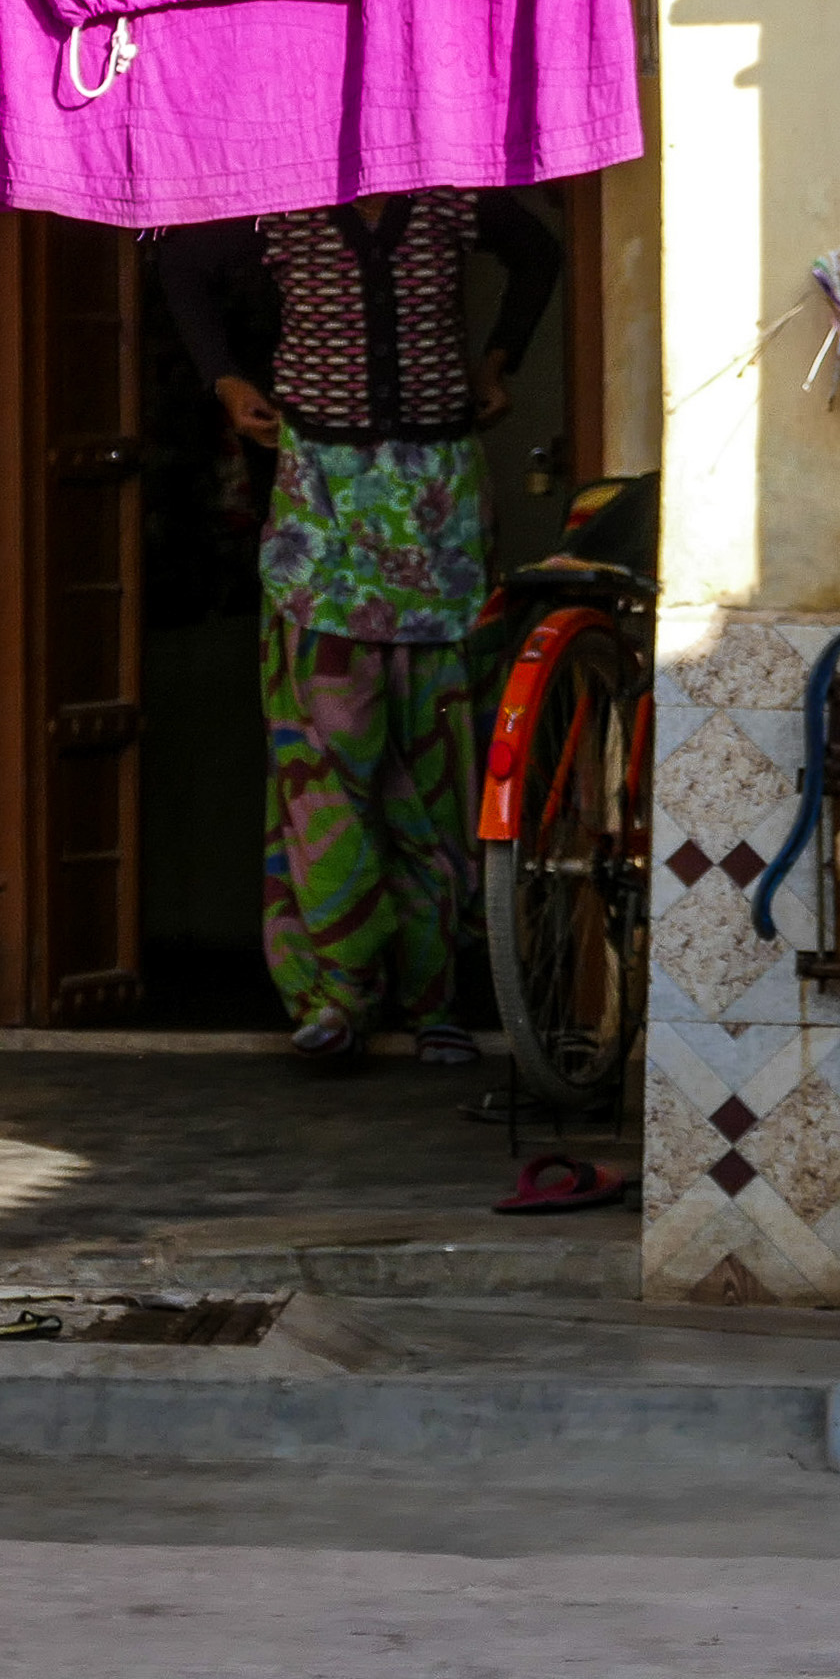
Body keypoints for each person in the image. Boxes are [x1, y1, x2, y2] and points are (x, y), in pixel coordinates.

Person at [154, 191, 560, 1064]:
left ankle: (436, 994)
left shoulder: (454, 193)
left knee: (440, 751)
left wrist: (499, 362)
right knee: (324, 751)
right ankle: (335, 990)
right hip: (323, 499)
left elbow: (540, 253)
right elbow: (181, 262)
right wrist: (227, 381)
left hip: (436, 498)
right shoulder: (289, 197)